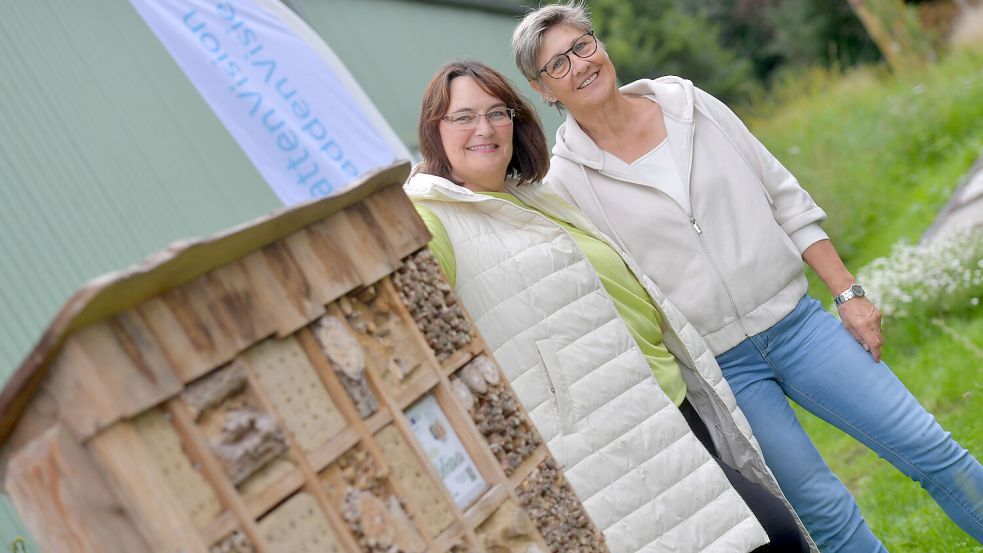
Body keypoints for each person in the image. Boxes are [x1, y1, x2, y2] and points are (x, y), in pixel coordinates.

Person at [510, 3, 983, 551]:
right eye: (557, 65)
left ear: (601, 45)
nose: (579, 65)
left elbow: (783, 194)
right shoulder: (565, 180)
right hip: (721, 371)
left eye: (582, 45)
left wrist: (848, 293)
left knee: (930, 447)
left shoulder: (689, 105)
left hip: (797, 324)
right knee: (825, 514)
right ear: (542, 90)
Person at [405, 59, 812, 552]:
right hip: (605, 436)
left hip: (664, 398)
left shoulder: (536, 196)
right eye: (463, 117)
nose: (485, 128)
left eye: (497, 112)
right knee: (773, 537)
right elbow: (412, 326)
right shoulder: (431, 215)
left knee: (770, 535)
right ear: (434, 129)